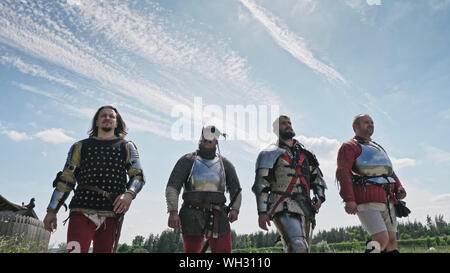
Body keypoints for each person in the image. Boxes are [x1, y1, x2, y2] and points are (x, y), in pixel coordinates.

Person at [43, 105, 145, 253]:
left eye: (112, 116)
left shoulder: (127, 147)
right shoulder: (80, 147)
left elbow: (138, 175)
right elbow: (66, 179)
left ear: (117, 123)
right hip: (81, 210)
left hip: (111, 213)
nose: (107, 118)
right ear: (96, 121)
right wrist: (52, 211)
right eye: (103, 115)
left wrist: (128, 194)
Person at [252, 115, 327, 253]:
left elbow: (317, 178)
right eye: (283, 123)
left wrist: (319, 197)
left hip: (305, 206)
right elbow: (261, 185)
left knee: (301, 249)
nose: (288, 125)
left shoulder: (306, 153)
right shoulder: (268, 154)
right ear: (276, 130)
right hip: (282, 204)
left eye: (289, 123)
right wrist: (262, 212)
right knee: (298, 247)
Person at [336, 114, 407, 253]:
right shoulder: (349, 147)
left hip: (387, 198)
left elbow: (389, 171)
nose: (371, 124)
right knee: (381, 239)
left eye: (372, 122)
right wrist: (349, 199)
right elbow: (343, 172)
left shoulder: (378, 148)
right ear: (355, 127)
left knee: (392, 241)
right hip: (366, 198)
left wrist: (400, 186)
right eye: (366, 122)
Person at [165, 125, 242, 253]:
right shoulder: (188, 160)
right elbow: (173, 187)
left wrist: (235, 209)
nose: (206, 141)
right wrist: (173, 211)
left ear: (216, 141)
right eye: (204, 138)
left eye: (210, 138)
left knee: (224, 251)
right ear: (200, 138)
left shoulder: (225, 164)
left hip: (218, 216)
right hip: (191, 214)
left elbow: (236, 189)